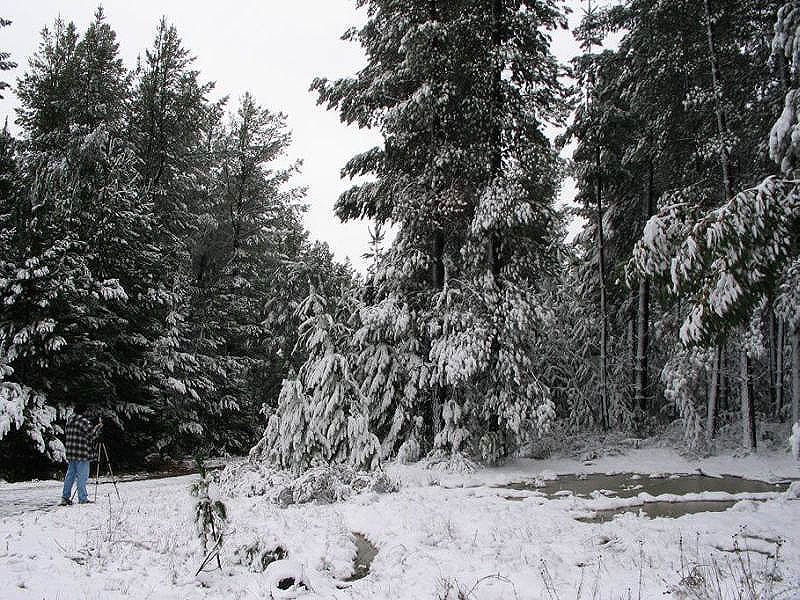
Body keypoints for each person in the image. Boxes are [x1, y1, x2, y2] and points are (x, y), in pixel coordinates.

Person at [60, 405, 103, 506]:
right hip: (82, 452)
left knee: (70, 475)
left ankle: (65, 497)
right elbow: (92, 435)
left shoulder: (69, 420)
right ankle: (82, 498)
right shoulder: (83, 421)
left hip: (71, 452)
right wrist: (98, 427)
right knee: (82, 476)